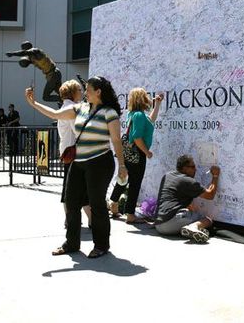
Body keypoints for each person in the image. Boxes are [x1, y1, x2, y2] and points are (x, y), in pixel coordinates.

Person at [25, 76, 126, 258]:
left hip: (100, 162)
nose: (85, 92)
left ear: (98, 92)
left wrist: (122, 166)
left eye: (87, 89)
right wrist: (34, 104)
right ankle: (71, 243)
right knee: (71, 202)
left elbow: (116, 140)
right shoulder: (80, 108)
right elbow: (56, 115)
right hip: (78, 163)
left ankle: (101, 245)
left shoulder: (109, 112)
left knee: (97, 204)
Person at [109, 89, 164, 223]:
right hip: (137, 153)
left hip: (129, 152)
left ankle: (114, 204)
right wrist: (147, 152)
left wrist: (157, 104)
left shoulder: (133, 114)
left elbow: (151, 120)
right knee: (135, 183)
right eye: (145, 95)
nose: (147, 97)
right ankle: (130, 214)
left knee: (124, 178)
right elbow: (137, 137)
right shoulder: (139, 115)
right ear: (142, 98)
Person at [154, 155, 220, 244]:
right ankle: (193, 227)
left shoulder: (167, 175)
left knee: (189, 212)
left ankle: (186, 228)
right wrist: (215, 175)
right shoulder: (187, 181)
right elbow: (210, 195)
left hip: (158, 224)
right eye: (193, 167)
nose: (195, 170)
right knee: (207, 220)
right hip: (171, 222)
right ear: (184, 168)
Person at [53, 80, 92, 227]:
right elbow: (78, 131)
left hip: (68, 153)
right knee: (81, 188)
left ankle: (72, 219)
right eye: (80, 90)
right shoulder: (71, 109)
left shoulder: (65, 107)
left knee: (71, 188)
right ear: (73, 93)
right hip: (75, 154)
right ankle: (87, 219)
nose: (82, 93)